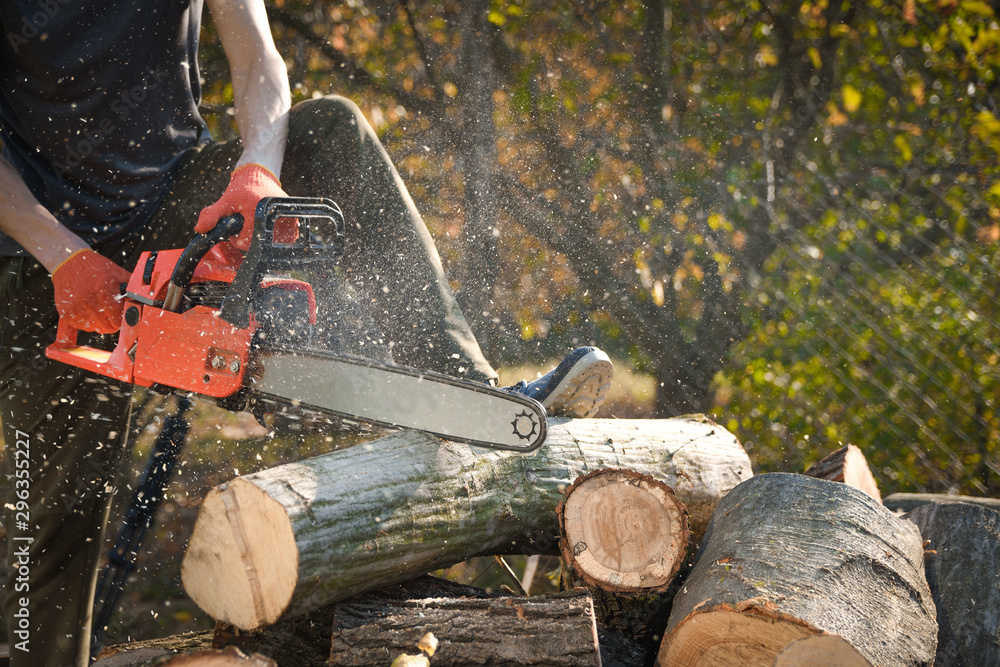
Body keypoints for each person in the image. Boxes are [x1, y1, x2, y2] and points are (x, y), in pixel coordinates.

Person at [0, 1, 612, 664]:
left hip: (175, 200)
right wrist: (59, 252)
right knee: (50, 526)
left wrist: (257, 173)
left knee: (330, 129)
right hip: (36, 252)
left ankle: (468, 390)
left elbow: (259, 57)